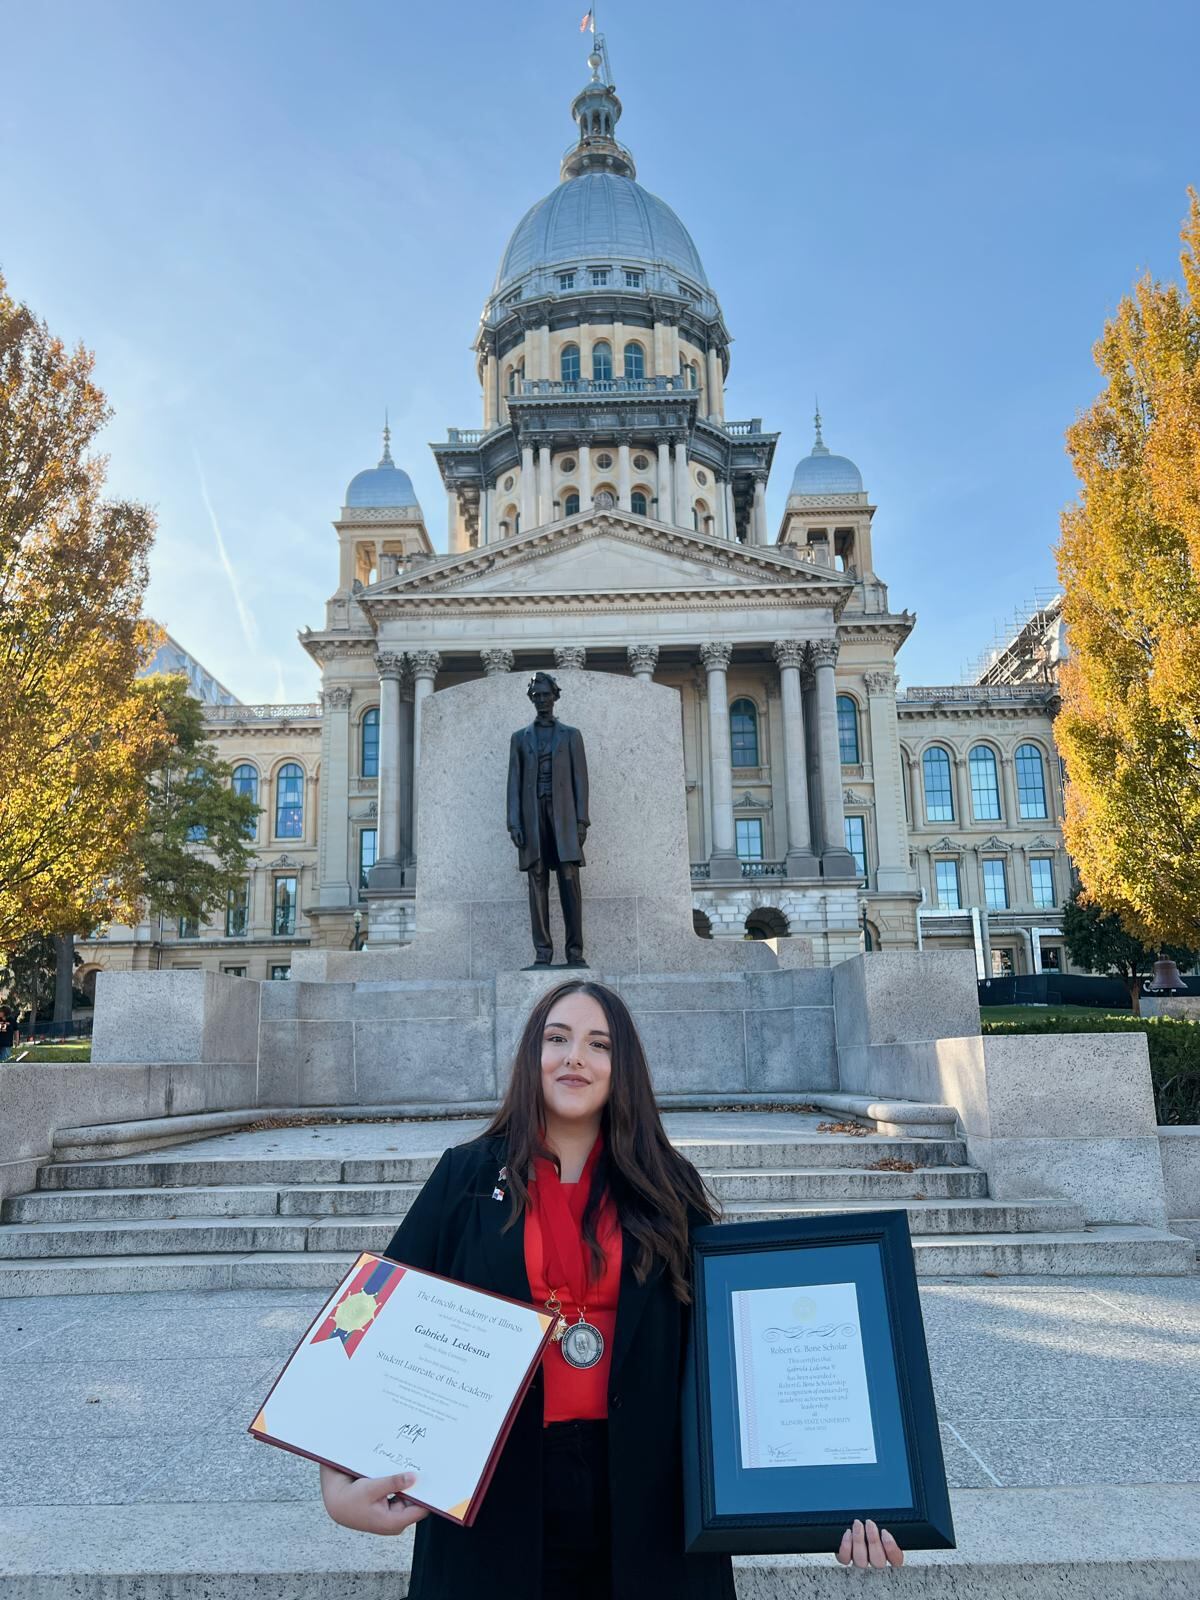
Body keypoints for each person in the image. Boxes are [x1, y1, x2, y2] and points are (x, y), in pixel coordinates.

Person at [318, 980, 905, 1595]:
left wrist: (844, 1496)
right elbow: (371, 1321)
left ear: (621, 1067)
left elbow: (735, 1359)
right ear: (531, 1056)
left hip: (650, 1497)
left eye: (598, 1044)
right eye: (557, 1038)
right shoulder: (464, 1176)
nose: (575, 1056)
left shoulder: (669, 1186)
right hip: (495, 1496)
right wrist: (337, 1486)